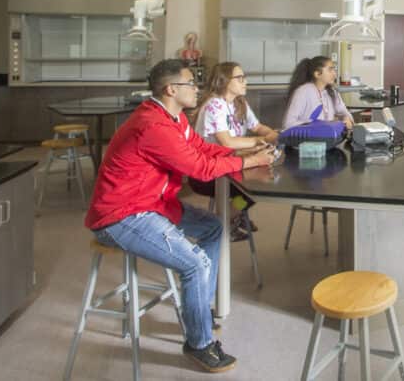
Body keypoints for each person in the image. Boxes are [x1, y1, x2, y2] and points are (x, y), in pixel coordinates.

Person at [85, 59, 276, 373]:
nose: (197, 88)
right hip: (122, 215)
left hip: (153, 204)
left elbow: (201, 147)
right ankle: (199, 344)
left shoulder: (174, 118)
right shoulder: (153, 125)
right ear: (171, 89)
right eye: (191, 83)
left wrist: (239, 154)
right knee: (195, 262)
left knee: (214, 227)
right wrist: (247, 161)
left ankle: (199, 310)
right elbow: (198, 167)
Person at [192, 62, 279, 240]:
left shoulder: (239, 103)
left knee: (258, 186)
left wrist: (270, 134)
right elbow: (227, 142)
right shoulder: (214, 105)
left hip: (231, 164)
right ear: (224, 81)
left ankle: (235, 214)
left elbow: (257, 126)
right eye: (239, 78)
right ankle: (224, 222)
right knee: (250, 191)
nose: (245, 82)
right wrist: (260, 141)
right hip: (209, 171)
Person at [282, 56, 355, 131]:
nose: (334, 74)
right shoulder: (303, 91)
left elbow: (345, 112)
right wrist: (315, 124)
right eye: (330, 70)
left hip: (328, 138)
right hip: (308, 140)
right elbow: (288, 124)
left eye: (334, 69)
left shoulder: (332, 92)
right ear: (317, 74)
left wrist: (346, 118)